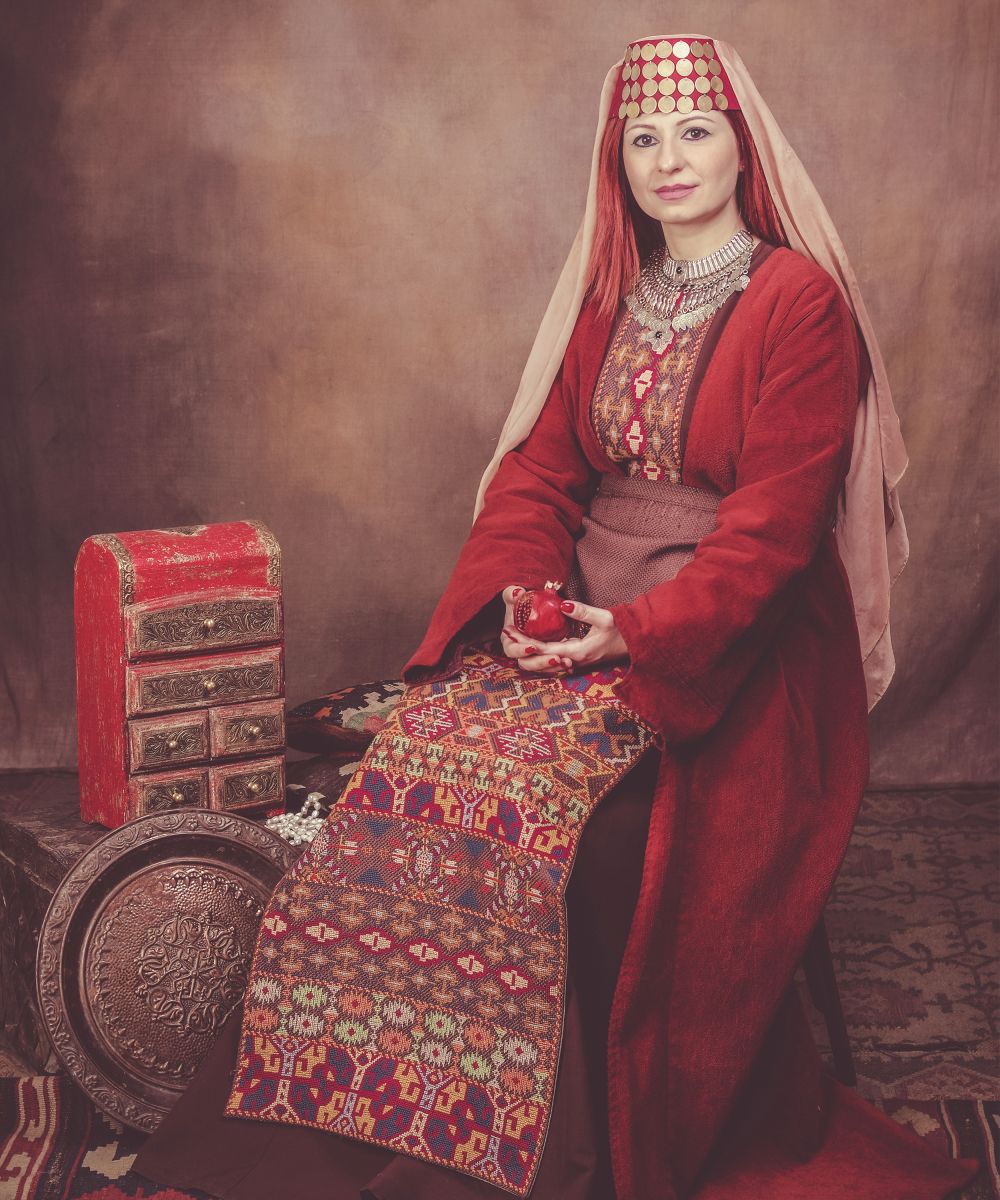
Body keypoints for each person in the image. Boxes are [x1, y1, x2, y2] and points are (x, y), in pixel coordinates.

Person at [133, 33, 980, 1200]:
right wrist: (521, 605)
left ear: (742, 146)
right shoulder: (611, 296)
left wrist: (636, 633)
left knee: (564, 817)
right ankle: (372, 1117)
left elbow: (775, 529)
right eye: (643, 138)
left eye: (693, 131)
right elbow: (538, 474)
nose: (669, 159)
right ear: (615, 160)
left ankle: (532, 1152)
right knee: (418, 765)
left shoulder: (799, 302)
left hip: (736, 651)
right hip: (579, 618)